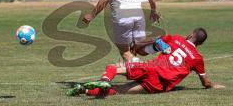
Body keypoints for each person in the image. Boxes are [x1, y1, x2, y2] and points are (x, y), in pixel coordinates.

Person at [66, 28, 225, 96]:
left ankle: (104, 80)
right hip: (158, 83)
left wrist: (138, 46)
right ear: (200, 43)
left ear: (190, 35)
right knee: (121, 90)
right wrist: (214, 85)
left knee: (113, 68)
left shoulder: (176, 38)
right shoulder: (198, 58)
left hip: (150, 68)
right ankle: (84, 91)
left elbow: (156, 43)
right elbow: (205, 82)